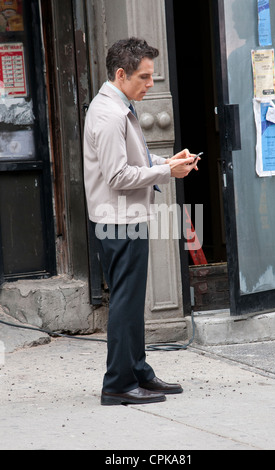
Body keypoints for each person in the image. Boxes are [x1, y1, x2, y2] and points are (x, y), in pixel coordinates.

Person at [84, 37, 200, 406]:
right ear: (121, 74)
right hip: (118, 221)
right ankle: (118, 383)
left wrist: (167, 163)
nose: (151, 84)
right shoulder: (110, 113)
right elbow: (117, 176)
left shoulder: (120, 106)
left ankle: (138, 373)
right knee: (124, 302)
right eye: (145, 77)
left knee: (130, 302)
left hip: (124, 218)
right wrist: (166, 171)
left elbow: (126, 166)